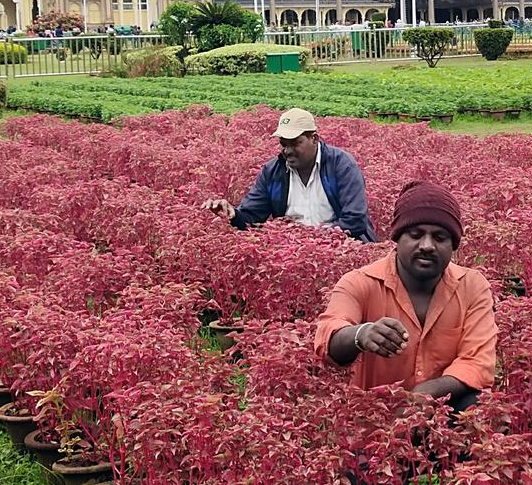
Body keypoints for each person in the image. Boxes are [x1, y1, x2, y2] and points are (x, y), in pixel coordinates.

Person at [314, 181, 497, 412]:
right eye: (415, 234)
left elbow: (478, 362)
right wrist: (361, 334)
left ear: (454, 245)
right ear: (397, 238)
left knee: (481, 407)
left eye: (440, 237)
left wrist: (423, 394)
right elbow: (328, 338)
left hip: (441, 414)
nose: (427, 245)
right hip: (374, 422)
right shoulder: (359, 282)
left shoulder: (472, 286)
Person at [202, 108, 377, 242]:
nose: (287, 151)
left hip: (345, 249)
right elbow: (252, 217)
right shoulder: (273, 172)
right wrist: (233, 214)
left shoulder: (341, 165)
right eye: (283, 144)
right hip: (293, 254)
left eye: (294, 143)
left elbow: (355, 220)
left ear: (314, 139)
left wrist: (315, 242)